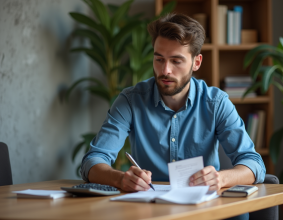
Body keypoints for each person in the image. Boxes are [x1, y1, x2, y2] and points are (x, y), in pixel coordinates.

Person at [80, 13, 265, 220]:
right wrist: (120, 178)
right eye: (159, 59)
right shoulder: (130, 101)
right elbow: (92, 162)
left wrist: (220, 179)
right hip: (152, 212)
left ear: (197, 62)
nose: (165, 70)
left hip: (207, 211)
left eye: (176, 61)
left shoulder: (216, 102)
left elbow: (253, 163)